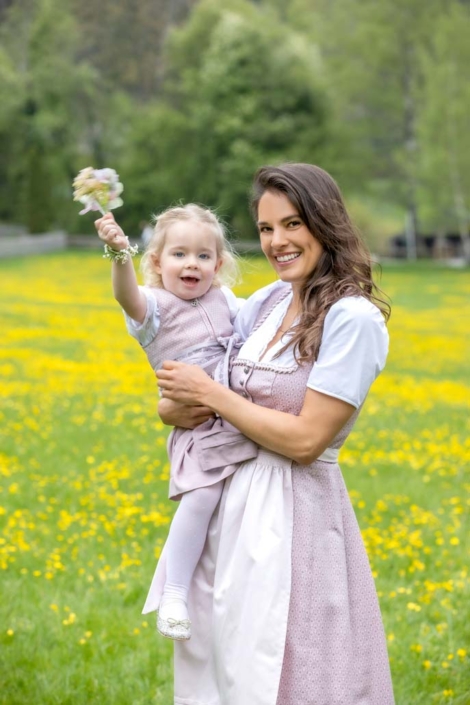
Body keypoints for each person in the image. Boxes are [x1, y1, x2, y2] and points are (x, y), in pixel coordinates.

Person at [145, 163, 395, 704]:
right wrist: (173, 407)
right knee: (221, 669)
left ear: (324, 223)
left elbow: (308, 441)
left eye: (292, 224)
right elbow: (201, 374)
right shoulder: (266, 303)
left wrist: (213, 397)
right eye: (265, 229)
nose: (277, 241)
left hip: (295, 516)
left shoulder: (352, 320)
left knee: (288, 671)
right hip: (227, 506)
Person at [94, 204, 258, 641]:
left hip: (240, 413)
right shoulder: (154, 309)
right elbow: (125, 296)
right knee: (201, 498)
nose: (192, 264)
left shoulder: (226, 300)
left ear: (218, 265)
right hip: (200, 426)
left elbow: (263, 315)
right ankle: (173, 594)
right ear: (157, 262)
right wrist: (119, 254)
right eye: (179, 254)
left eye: (204, 256)